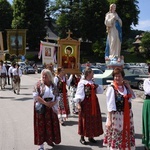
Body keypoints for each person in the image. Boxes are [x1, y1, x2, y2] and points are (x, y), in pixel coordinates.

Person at [103, 67, 136, 149]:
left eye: (119, 76)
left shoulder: (125, 87)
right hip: (116, 116)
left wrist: (128, 86)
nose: (117, 78)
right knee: (117, 134)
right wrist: (110, 120)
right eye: (115, 76)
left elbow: (133, 97)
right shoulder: (111, 88)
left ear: (123, 77)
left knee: (126, 133)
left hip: (127, 114)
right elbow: (110, 105)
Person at [74, 67, 103, 144]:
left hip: (94, 104)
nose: (93, 74)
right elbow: (79, 94)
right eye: (92, 73)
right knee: (84, 120)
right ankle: (82, 137)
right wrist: (78, 104)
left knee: (93, 120)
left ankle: (91, 136)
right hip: (85, 104)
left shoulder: (92, 82)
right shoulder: (82, 83)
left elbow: (100, 91)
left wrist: (96, 85)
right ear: (88, 74)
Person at [33, 69, 61, 150]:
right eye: (43, 76)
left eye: (46, 76)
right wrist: (45, 103)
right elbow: (36, 96)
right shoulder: (38, 85)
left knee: (51, 125)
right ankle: (41, 145)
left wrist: (53, 103)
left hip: (51, 108)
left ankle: (50, 140)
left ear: (50, 76)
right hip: (41, 108)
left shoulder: (53, 85)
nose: (44, 77)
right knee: (41, 126)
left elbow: (57, 96)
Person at [142, 65, 150, 150]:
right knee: (148, 123)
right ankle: (147, 143)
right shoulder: (147, 81)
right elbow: (148, 91)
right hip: (149, 102)